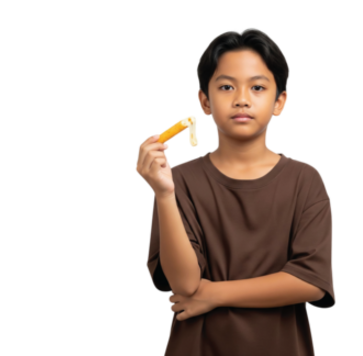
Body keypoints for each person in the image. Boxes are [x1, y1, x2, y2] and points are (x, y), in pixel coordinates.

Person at [137, 26, 335, 356]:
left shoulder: (305, 180)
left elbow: (311, 281)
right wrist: (164, 193)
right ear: (205, 101)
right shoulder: (177, 179)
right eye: (227, 86)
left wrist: (214, 294)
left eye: (257, 87)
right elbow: (185, 284)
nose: (241, 98)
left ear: (279, 101)